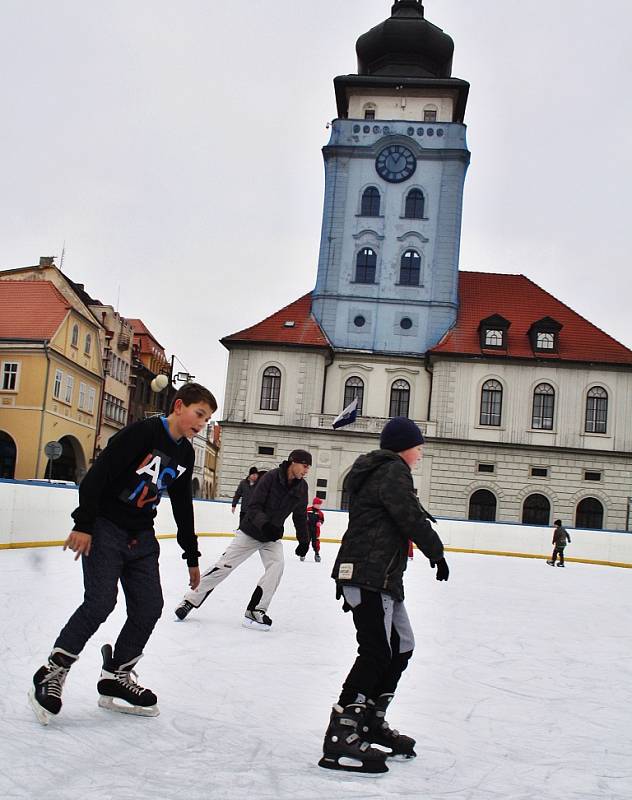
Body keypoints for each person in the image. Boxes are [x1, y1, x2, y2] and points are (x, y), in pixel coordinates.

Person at [29, 382, 217, 725]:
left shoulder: (186, 454)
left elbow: (183, 507)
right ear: (178, 406)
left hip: (141, 536)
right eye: (199, 414)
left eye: (207, 419)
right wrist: (84, 524)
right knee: (100, 602)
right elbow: (96, 477)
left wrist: (192, 554)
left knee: (149, 607)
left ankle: (115, 675)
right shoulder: (141, 434)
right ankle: (51, 671)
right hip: (105, 526)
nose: (202, 423)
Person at [318, 417, 449, 775]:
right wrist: (435, 551)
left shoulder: (385, 472)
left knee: (401, 646)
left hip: (382, 577)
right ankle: (342, 732)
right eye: (418, 448)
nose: (420, 455)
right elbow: (408, 516)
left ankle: (371, 720)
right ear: (404, 447)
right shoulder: (392, 471)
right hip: (367, 573)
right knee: (377, 651)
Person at [175, 449, 311, 630]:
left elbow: (300, 515)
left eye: (308, 467)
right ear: (293, 462)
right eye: (304, 466)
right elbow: (254, 507)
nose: (306, 470)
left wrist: (304, 540)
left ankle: (256, 610)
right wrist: (265, 525)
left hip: (272, 537)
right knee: (224, 566)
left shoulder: (302, 487)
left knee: (277, 567)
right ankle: (189, 600)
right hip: (250, 532)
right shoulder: (270, 478)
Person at [297, 496, 325, 562]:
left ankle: (317, 554)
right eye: (318, 504)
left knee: (316, 543)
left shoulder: (320, 513)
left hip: (316, 531)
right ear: (314, 504)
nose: (319, 506)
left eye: (319, 505)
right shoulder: (308, 510)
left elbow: (322, 520)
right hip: (307, 530)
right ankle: (303, 554)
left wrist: (320, 522)